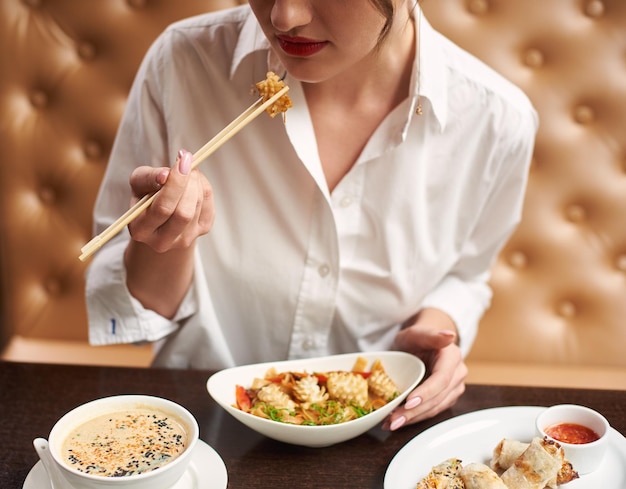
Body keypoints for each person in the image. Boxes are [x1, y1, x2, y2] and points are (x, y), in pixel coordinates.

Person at [86, 0, 537, 431]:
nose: (285, 17)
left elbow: (465, 277)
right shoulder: (185, 62)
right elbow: (139, 320)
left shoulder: (496, 120)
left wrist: (436, 334)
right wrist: (167, 238)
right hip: (200, 418)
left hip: (377, 425)